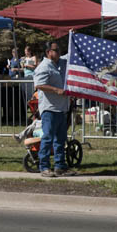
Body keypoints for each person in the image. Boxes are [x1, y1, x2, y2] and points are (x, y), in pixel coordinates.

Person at [33, 41, 76, 177]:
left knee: (60, 140)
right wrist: (56, 90)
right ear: (48, 52)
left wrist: (72, 37)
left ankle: (60, 166)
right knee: (47, 138)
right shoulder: (44, 67)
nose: (58, 52)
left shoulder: (62, 62)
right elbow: (39, 85)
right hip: (49, 108)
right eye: (56, 50)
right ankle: (44, 167)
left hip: (61, 108)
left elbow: (72, 53)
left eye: (59, 50)